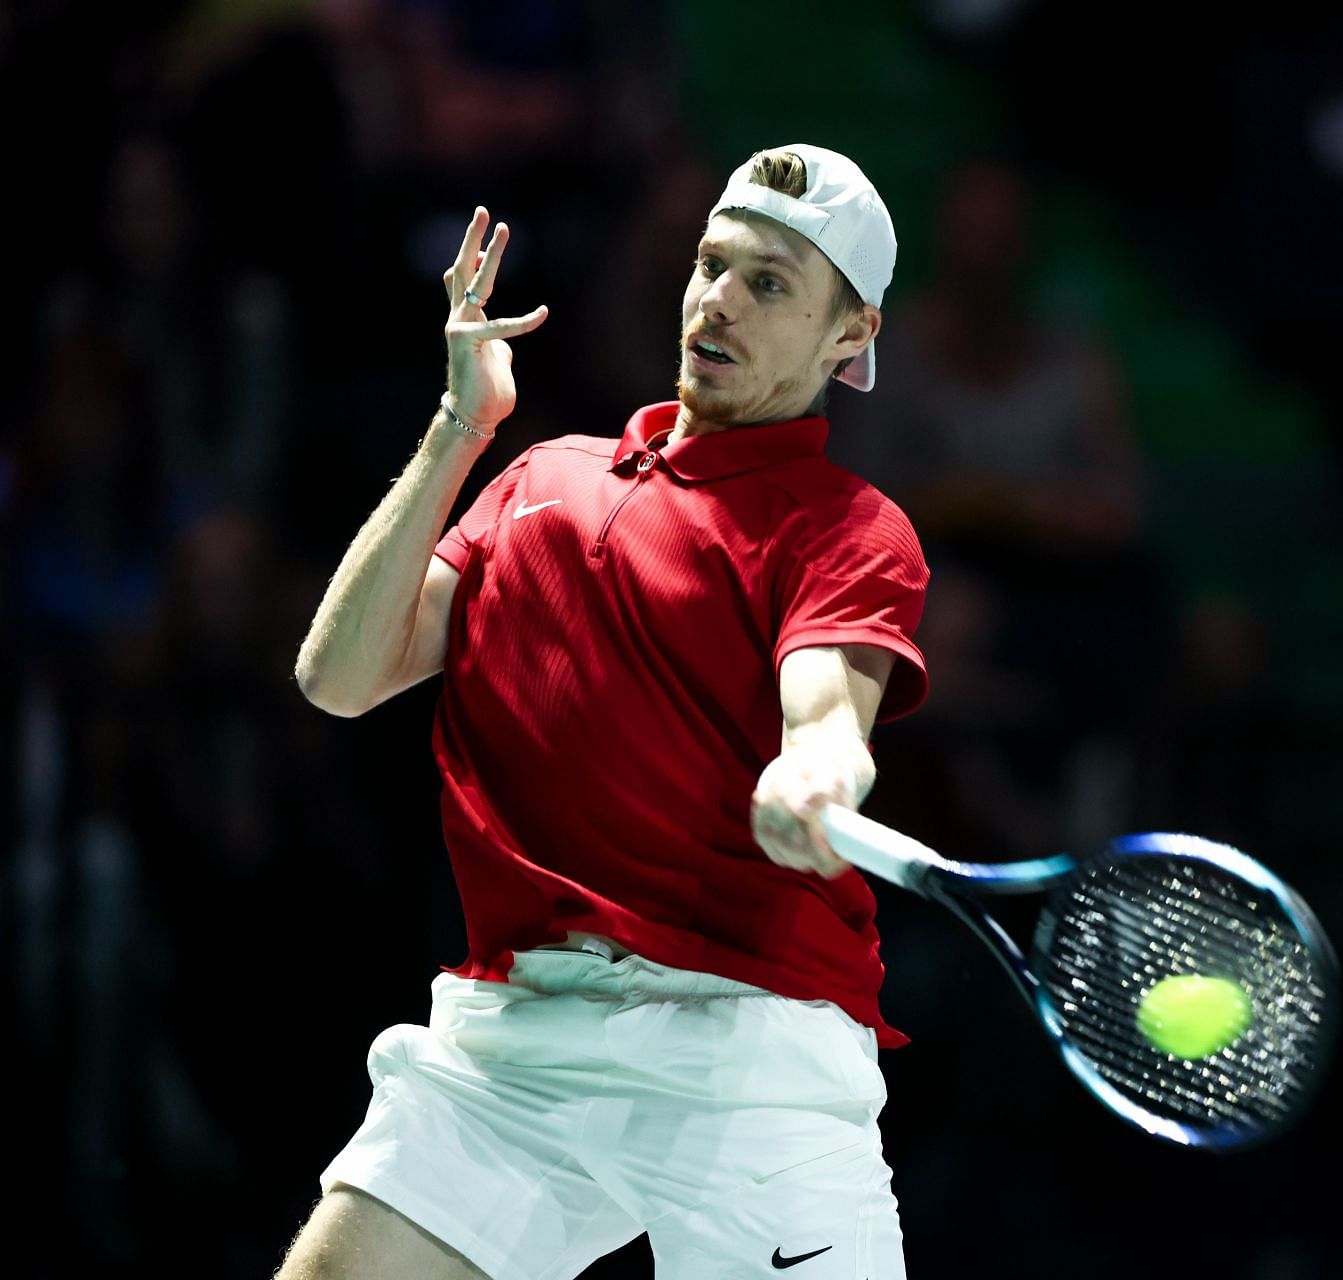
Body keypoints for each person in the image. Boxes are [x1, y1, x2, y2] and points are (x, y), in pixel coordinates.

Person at [284, 143, 927, 1280]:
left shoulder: (843, 525)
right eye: (711, 264)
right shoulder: (537, 478)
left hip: (751, 1044)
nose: (719, 299)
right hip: (522, 1037)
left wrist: (817, 772)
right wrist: (456, 428)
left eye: (770, 282)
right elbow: (338, 678)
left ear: (851, 335)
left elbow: (826, 704)